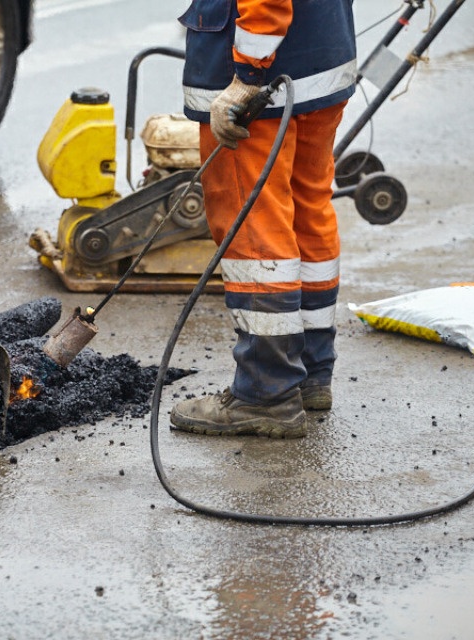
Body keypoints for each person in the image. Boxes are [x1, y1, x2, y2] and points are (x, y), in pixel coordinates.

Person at [170, 0, 357, 438]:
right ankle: (309, 374)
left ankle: (265, 393)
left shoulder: (253, 75)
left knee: (255, 233)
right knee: (307, 212)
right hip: (320, 59)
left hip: (263, 81)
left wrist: (247, 76)